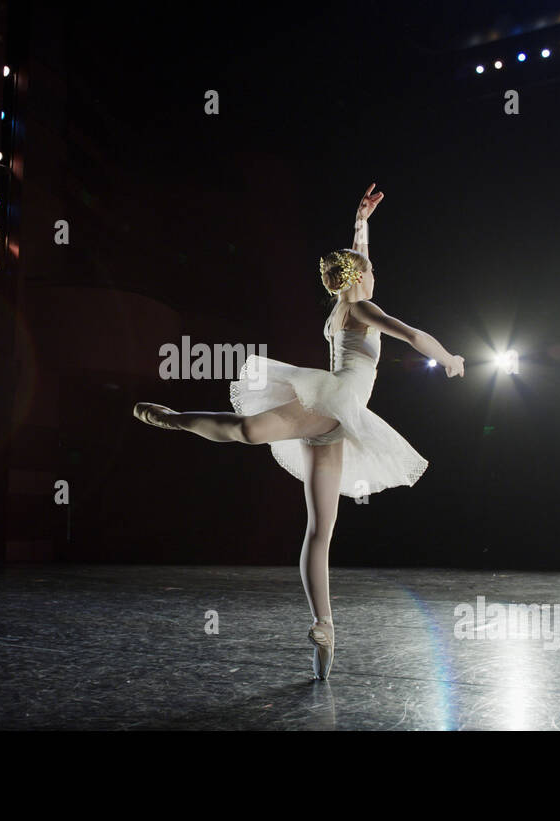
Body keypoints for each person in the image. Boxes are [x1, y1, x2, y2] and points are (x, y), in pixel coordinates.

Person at [133, 183, 465, 679]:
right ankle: (175, 418)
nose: (376, 271)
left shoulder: (343, 305)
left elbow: (358, 260)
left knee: (319, 530)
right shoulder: (362, 309)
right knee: (249, 430)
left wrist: (360, 220)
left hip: (336, 420)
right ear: (360, 280)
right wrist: (449, 357)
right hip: (331, 402)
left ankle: (324, 629)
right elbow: (413, 333)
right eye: (371, 270)